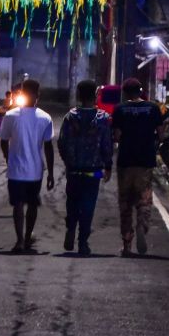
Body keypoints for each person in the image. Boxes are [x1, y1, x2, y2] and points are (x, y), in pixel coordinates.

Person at [57, 80, 112, 256]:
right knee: (88, 205)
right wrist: (108, 165)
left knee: (72, 202)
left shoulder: (70, 117)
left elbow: (62, 143)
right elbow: (107, 145)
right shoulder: (103, 119)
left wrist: (67, 161)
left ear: (79, 96)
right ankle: (83, 242)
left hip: (74, 169)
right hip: (94, 170)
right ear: (95, 95)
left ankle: (70, 226)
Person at [0, 79, 54, 253]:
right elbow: (48, 147)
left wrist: (9, 158)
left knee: (18, 205)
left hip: (16, 171)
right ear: (38, 96)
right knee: (32, 204)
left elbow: (3, 141)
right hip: (35, 172)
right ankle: (28, 236)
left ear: (21, 93)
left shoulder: (11, 116)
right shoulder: (45, 118)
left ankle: (20, 240)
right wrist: (51, 173)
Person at [112, 78, 165, 257]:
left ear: (125, 93)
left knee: (125, 203)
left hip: (126, 161)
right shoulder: (152, 108)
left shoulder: (120, 109)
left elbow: (117, 136)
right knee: (144, 199)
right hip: (145, 160)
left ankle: (127, 244)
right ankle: (142, 225)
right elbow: (161, 133)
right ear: (141, 91)